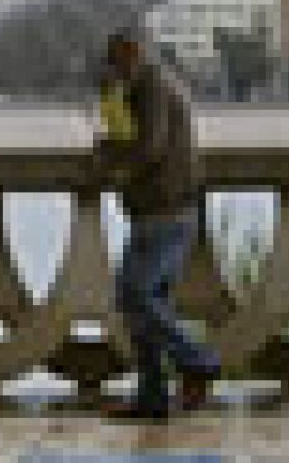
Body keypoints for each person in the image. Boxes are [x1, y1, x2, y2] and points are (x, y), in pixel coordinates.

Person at [98, 33, 219, 419]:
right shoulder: (150, 85)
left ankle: (197, 361)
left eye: (113, 57)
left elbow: (149, 147)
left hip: (163, 212)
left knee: (134, 295)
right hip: (167, 210)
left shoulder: (151, 86)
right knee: (146, 306)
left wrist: (109, 150)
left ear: (131, 50)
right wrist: (112, 104)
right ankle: (152, 396)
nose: (109, 65)